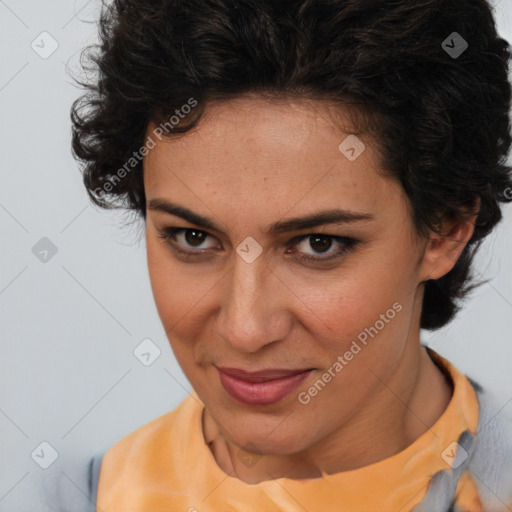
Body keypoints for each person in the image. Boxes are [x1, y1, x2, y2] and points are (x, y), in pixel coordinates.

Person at [70, 0, 512, 510]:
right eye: (193, 237)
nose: (245, 329)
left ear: (446, 231)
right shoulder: (84, 496)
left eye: (317, 244)